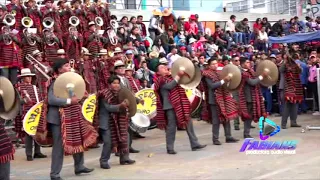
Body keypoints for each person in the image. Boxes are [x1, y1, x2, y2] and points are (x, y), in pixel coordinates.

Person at [47, 58, 97, 180]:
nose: (69, 67)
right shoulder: (55, 82)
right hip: (59, 118)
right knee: (59, 146)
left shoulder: (72, 80)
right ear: (59, 69)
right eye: (66, 66)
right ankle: (55, 174)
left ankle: (79, 166)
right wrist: (69, 101)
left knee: (78, 139)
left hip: (73, 115)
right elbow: (51, 100)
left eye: (69, 66)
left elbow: (77, 95)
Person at [153, 60, 206, 154]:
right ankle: (170, 148)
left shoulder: (172, 77)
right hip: (170, 106)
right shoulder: (159, 80)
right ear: (157, 72)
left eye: (165, 66)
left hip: (180, 104)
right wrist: (178, 76)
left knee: (188, 122)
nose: (165, 68)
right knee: (171, 127)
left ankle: (195, 144)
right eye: (162, 67)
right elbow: (169, 86)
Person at [98, 75, 138, 169]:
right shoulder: (104, 94)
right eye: (114, 83)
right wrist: (120, 106)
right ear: (109, 84)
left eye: (117, 83)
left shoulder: (121, 92)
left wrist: (137, 101)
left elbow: (130, 98)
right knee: (108, 142)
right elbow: (108, 108)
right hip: (106, 121)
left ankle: (124, 158)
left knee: (125, 137)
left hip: (119, 120)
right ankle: (103, 161)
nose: (116, 85)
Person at [201, 58, 239, 145]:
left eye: (216, 63)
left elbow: (225, 85)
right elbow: (212, 86)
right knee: (216, 120)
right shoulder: (207, 74)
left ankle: (228, 136)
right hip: (214, 100)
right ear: (209, 65)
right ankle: (215, 139)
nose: (215, 65)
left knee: (226, 118)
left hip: (223, 98)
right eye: (213, 64)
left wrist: (228, 81)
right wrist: (224, 80)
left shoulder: (219, 73)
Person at [15, 68, 47, 161]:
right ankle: (29, 154)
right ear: (23, 78)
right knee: (29, 133)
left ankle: (37, 152)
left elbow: (40, 99)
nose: (29, 78)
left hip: (36, 112)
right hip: (26, 112)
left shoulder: (35, 88)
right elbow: (17, 100)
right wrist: (24, 101)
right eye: (26, 77)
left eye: (29, 76)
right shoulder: (18, 87)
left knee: (37, 131)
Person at [238, 57, 268, 138]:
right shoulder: (242, 73)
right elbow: (252, 82)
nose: (249, 64)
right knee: (248, 117)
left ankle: (265, 130)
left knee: (262, 113)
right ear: (243, 64)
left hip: (255, 96)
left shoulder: (251, 71)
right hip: (248, 97)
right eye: (247, 62)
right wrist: (262, 76)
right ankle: (246, 133)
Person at [279, 56, 303, 129]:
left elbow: (300, 71)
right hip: (286, 88)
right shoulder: (283, 65)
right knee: (286, 106)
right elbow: (280, 70)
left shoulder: (296, 65)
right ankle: (283, 124)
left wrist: (298, 66)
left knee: (295, 106)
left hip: (295, 87)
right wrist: (285, 62)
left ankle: (293, 122)